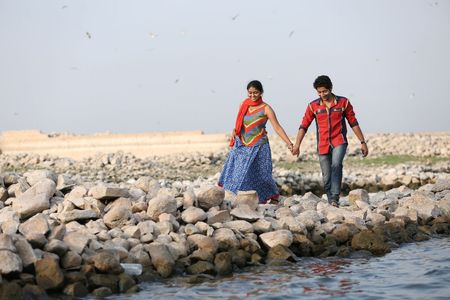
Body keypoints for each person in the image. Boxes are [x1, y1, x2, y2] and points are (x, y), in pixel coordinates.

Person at [292, 75, 369, 207]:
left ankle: (334, 198)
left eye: (325, 91)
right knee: (326, 175)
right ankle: (330, 200)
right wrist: (297, 144)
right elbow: (304, 125)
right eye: (319, 92)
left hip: (339, 140)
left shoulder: (343, 102)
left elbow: (353, 122)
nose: (322, 94)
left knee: (336, 165)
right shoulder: (313, 106)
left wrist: (362, 142)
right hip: (322, 144)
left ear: (331, 88)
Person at [218, 80, 293, 204]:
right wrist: (234, 132)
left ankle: (269, 197)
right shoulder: (244, 104)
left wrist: (289, 143)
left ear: (261, 93)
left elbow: (277, 127)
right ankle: (235, 198)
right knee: (237, 172)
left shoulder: (266, 108)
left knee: (262, 174)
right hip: (242, 145)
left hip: (259, 146)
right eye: (250, 93)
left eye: (256, 93)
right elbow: (239, 122)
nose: (252, 96)